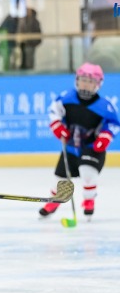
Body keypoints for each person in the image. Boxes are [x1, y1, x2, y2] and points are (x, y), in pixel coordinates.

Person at [39, 63, 117, 219]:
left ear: (98, 84)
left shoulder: (104, 106)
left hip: (91, 146)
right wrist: (57, 126)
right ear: (76, 80)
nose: (86, 84)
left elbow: (113, 123)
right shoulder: (66, 98)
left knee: (87, 172)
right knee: (60, 178)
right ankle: (56, 200)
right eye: (83, 80)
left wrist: (105, 136)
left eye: (90, 81)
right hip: (71, 146)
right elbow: (54, 112)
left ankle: (89, 200)